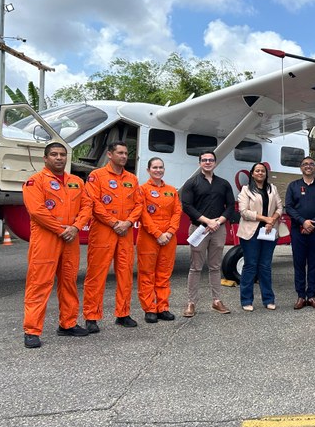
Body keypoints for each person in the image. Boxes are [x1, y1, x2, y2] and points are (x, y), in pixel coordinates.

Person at [22, 142, 92, 348]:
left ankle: (68, 323)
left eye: (62, 154)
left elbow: (87, 206)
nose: (59, 158)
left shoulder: (77, 182)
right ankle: (32, 330)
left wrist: (76, 227)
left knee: (69, 281)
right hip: (46, 239)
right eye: (54, 154)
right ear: (45, 158)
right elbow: (37, 211)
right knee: (39, 284)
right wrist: (62, 229)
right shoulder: (35, 182)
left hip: (70, 239)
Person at [83, 141, 143, 332]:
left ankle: (123, 313)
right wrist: (113, 222)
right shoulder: (96, 176)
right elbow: (94, 202)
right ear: (110, 155)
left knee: (125, 274)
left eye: (126, 153)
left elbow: (139, 204)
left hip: (125, 231)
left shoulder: (132, 179)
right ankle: (91, 317)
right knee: (96, 275)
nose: (124, 156)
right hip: (103, 231)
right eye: (120, 153)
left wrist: (127, 222)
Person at [180, 151, 235, 317]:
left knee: (215, 267)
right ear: (199, 163)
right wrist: (208, 221)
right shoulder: (191, 183)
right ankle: (191, 303)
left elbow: (231, 206)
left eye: (211, 160)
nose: (207, 162)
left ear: (215, 163)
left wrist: (218, 222)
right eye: (204, 160)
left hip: (218, 229)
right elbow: (187, 206)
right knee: (195, 267)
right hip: (199, 229)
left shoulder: (224, 184)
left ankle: (216, 301)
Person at [136, 157, 182, 324]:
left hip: (168, 238)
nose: (158, 170)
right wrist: (157, 233)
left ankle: (163, 307)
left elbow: (177, 212)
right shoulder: (142, 190)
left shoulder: (171, 190)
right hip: (149, 237)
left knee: (164, 274)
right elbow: (142, 214)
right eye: (154, 167)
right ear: (148, 170)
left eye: (160, 167)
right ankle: (149, 308)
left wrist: (169, 233)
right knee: (147, 274)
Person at [285, 156, 315, 310]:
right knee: (299, 264)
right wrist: (303, 221)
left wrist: (313, 223)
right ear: (301, 167)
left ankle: (311, 296)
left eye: (311, 164)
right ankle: (300, 296)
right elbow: (289, 207)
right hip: (298, 231)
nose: (308, 166)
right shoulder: (293, 186)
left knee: (314, 264)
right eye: (305, 164)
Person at [237, 162, 283, 311]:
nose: (260, 173)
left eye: (262, 171)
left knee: (265, 266)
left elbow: (279, 207)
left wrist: (272, 221)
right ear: (252, 173)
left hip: (269, 231)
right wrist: (265, 219)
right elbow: (243, 211)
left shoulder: (272, 189)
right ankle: (246, 300)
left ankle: (268, 299)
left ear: (266, 173)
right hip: (251, 232)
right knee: (250, 265)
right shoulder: (245, 190)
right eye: (257, 171)